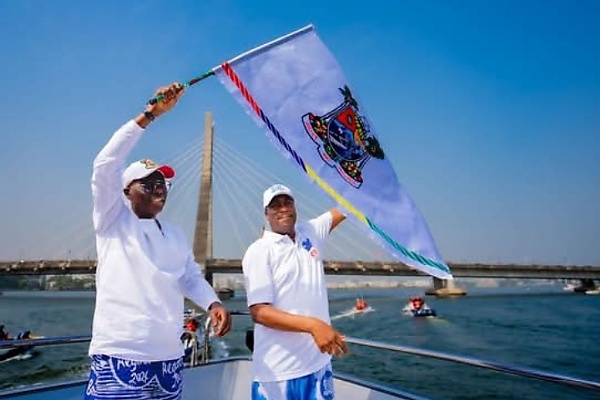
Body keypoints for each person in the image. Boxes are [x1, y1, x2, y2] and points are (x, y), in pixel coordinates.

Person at [85, 83, 232, 400]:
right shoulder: (113, 222)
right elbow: (105, 165)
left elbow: (190, 277)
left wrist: (213, 303)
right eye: (149, 183)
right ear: (126, 191)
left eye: (163, 184)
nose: (159, 188)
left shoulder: (174, 234)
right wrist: (150, 115)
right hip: (121, 355)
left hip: (169, 358)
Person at [242, 184, 348, 400]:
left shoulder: (310, 231)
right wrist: (314, 326)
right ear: (266, 213)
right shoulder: (259, 251)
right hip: (279, 372)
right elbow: (260, 312)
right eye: (275, 205)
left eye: (287, 202)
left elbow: (348, 206)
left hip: (318, 365)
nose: (282, 209)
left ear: (294, 206)